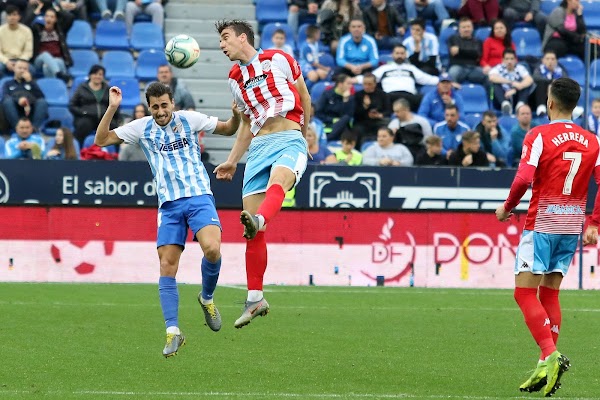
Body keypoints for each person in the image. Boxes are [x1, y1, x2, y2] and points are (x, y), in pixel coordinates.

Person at [94, 82, 241, 357]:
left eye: (164, 105)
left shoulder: (189, 120)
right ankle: (173, 331)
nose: (160, 111)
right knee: (167, 265)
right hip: (169, 205)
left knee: (212, 249)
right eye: (155, 107)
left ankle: (206, 298)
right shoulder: (141, 127)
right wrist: (112, 108)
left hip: (198, 196)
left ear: (172, 102)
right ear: (149, 107)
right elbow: (101, 140)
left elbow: (228, 129)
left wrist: (236, 115)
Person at [495, 77, 600, 397]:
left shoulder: (538, 135)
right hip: (571, 226)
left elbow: (524, 177)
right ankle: (545, 361)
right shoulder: (592, 140)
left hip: (542, 222)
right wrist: (594, 222)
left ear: (550, 103)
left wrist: (507, 207)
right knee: (549, 293)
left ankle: (550, 354)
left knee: (523, 293)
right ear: (576, 105)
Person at [215, 19, 312, 328]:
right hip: (257, 149)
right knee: (253, 232)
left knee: (277, 184)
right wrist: (232, 160)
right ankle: (255, 298)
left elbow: (305, 97)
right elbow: (245, 124)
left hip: (288, 137)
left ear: (243, 37)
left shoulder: (277, 58)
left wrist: (303, 135)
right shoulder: (234, 78)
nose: (222, 45)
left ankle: (259, 218)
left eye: (226, 38)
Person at [357, 44, 439, 112]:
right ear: (392, 54)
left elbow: (428, 79)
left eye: (402, 53)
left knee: (425, 98)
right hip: (389, 96)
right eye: (397, 53)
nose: (399, 55)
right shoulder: (385, 68)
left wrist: (443, 81)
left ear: (406, 55)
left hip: (408, 96)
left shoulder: (411, 68)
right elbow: (368, 78)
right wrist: (352, 80)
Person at [69, 64, 120, 146]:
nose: (97, 76)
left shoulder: (108, 89)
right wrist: (83, 112)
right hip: (87, 117)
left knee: (115, 129)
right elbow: (72, 105)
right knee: (83, 126)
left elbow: (115, 105)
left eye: (100, 74)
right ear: (90, 75)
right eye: (95, 74)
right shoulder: (81, 88)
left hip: (104, 118)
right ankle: (79, 151)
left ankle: (115, 154)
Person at [2, 59, 48, 130]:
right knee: (7, 101)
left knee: (42, 102)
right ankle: (18, 129)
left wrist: (30, 82)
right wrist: (18, 100)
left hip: (30, 111)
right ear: (14, 68)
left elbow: (41, 96)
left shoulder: (32, 83)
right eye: (20, 68)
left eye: (25, 69)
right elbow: (5, 96)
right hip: (14, 112)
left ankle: (33, 129)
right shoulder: (8, 83)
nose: (22, 70)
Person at [30, 7, 73, 82]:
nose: (49, 19)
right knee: (45, 54)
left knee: (46, 67)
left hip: (57, 59)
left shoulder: (60, 29)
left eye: (52, 17)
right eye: (46, 16)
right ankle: (59, 74)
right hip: (39, 60)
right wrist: (35, 13)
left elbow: (70, 17)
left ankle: (53, 87)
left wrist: (58, 10)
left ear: (56, 19)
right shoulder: (37, 29)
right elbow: (25, 24)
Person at [488, 49, 533, 116]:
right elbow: (492, 78)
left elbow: (530, 80)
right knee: (495, 83)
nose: (509, 61)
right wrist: (511, 82)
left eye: (512, 59)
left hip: (516, 96)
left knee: (526, 83)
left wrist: (516, 89)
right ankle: (505, 104)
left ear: (515, 60)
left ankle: (520, 105)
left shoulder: (520, 68)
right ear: (503, 60)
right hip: (502, 97)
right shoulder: (497, 68)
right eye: (507, 59)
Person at [353, 72, 391, 146]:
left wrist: (380, 115)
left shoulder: (383, 95)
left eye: (369, 84)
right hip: (362, 121)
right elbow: (354, 114)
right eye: (364, 84)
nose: (367, 86)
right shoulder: (358, 95)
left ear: (375, 84)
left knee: (387, 125)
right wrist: (365, 106)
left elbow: (388, 111)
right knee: (357, 130)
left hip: (379, 121)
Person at [316, 73, 354, 141]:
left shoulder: (350, 98)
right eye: (348, 84)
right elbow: (318, 112)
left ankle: (328, 139)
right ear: (340, 84)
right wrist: (332, 120)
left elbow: (348, 115)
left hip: (343, 125)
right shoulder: (327, 94)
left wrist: (345, 101)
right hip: (328, 123)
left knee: (345, 119)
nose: (351, 86)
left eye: (351, 84)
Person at [447, 17, 485, 84]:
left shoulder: (478, 41)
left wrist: (460, 51)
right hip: (457, 67)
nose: (466, 29)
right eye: (464, 27)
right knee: (451, 74)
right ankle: (453, 93)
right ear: (459, 29)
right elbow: (453, 53)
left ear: (472, 28)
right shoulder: (452, 38)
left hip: (473, 68)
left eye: (468, 27)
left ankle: (490, 94)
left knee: (488, 75)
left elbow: (477, 54)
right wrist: (470, 52)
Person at [0, 5, 32, 77]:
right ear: (6, 17)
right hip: (4, 60)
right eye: (9, 15)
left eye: (14, 15)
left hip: (21, 60)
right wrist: (6, 61)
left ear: (19, 17)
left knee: (32, 70)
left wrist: (20, 63)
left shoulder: (26, 31)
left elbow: (28, 51)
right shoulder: (0, 31)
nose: (12, 17)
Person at [531, 51, 566, 116]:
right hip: (540, 96)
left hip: (557, 96)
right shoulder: (539, 68)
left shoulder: (560, 70)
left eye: (553, 59)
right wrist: (550, 82)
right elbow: (536, 78)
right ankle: (541, 107)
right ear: (543, 60)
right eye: (547, 59)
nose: (550, 61)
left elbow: (566, 79)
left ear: (556, 61)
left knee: (563, 85)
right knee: (541, 83)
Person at [299, 25, 332, 90]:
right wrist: (325, 68)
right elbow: (312, 63)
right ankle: (302, 92)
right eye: (319, 34)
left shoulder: (316, 43)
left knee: (323, 74)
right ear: (315, 34)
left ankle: (320, 91)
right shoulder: (306, 47)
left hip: (314, 66)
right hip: (305, 66)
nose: (320, 36)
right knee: (314, 76)